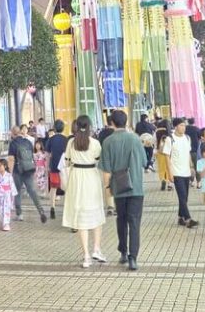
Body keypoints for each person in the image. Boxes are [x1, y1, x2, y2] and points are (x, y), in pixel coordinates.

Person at [99, 109, 146, 270]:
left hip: (119, 187)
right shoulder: (135, 139)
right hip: (136, 187)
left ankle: (123, 252)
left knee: (121, 220)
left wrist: (107, 189)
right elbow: (144, 161)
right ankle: (133, 258)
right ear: (126, 122)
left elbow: (106, 169)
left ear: (112, 123)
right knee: (134, 222)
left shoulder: (108, 142)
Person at [62, 115, 106, 267]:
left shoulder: (71, 143)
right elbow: (99, 161)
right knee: (96, 213)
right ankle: (96, 249)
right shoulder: (95, 143)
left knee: (81, 217)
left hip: (76, 178)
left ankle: (86, 255)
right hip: (91, 177)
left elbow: (67, 162)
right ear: (89, 126)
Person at [8, 125, 47, 223]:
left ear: (12, 133)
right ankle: (41, 211)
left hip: (17, 171)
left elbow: (11, 159)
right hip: (29, 169)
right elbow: (32, 157)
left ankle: (19, 214)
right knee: (32, 191)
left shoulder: (13, 143)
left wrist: (9, 173)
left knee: (17, 192)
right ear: (20, 132)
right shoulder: (28, 142)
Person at [162, 118, 197, 228]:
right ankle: (188, 219)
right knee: (182, 196)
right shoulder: (170, 139)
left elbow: (188, 154)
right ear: (175, 126)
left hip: (186, 171)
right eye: (181, 125)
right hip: (176, 172)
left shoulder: (187, 138)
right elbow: (167, 157)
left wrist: (191, 167)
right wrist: (169, 173)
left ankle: (180, 217)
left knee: (185, 197)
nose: (183, 127)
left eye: (184, 125)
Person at [46, 119, 68, 219]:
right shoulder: (66, 139)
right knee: (66, 188)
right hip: (64, 167)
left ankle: (52, 208)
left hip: (54, 166)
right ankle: (67, 209)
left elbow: (47, 154)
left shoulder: (51, 139)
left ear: (54, 128)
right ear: (63, 128)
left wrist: (47, 166)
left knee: (53, 188)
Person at [0, 158, 17, 231]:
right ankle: (3, 222)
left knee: (7, 209)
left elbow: (12, 186)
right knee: (1, 209)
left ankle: (6, 223)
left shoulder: (9, 175)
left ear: (5, 166)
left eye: (0, 166)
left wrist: (13, 195)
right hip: (0, 195)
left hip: (7, 195)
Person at [97, 115, 116, 215]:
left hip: (105, 160)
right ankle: (117, 205)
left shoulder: (102, 133)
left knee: (107, 184)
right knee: (118, 182)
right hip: (117, 160)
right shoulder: (116, 133)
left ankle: (110, 206)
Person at [155, 122, 173, 191]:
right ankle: (169, 184)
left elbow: (153, 141)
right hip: (169, 153)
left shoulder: (156, 132)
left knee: (161, 167)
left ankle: (163, 179)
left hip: (160, 153)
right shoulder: (170, 133)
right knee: (169, 167)